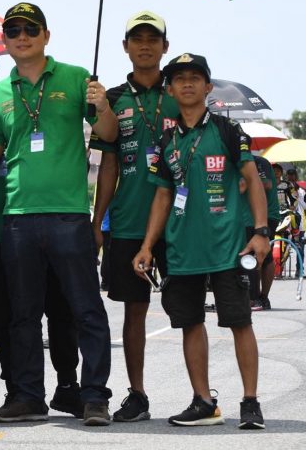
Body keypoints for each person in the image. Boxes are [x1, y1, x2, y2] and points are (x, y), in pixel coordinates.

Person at [0, 2, 118, 425]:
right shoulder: (0, 92)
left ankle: (95, 397)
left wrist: (103, 106)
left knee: (86, 310)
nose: (22, 36)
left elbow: (107, 135)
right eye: (13, 30)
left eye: (30, 29)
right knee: (22, 315)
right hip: (17, 217)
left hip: (69, 215)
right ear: (5, 41)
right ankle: (29, 397)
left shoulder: (76, 77)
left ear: (46, 36)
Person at [0, 30, 83, 417]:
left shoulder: (22, 94)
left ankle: (68, 386)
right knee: (9, 315)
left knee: (61, 309)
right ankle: (20, 392)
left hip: (48, 217)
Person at [132, 53, 269, 429]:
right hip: (182, 251)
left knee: (240, 322)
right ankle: (203, 401)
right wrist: (147, 246)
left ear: (208, 87)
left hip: (228, 248)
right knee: (190, 323)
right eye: (179, 79)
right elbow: (163, 196)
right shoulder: (165, 140)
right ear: (170, 90)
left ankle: (251, 402)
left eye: (195, 77)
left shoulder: (228, 130)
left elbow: (252, 179)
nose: (188, 83)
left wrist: (261, 232)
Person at [90, 11, 178, 423]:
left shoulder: (180, 92)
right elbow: (107, 167)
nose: (145, 45)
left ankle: (200, 395)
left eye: (153, 39)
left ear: (165, 46)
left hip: (178, 223)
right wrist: (97, 223)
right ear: (125, 47)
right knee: (134, 310)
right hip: (127, 221)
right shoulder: (111, 98)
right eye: (137, 39)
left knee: (188, 310)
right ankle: (137, 395)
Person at [241, 156, 279, 311]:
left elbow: (267, 184)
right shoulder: (241, 161)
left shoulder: (259, 162)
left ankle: (258, 297)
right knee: (262, 256)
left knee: (259, 256)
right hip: (252, 216)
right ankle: (259, 297)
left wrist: (245, 183)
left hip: (264, 216)